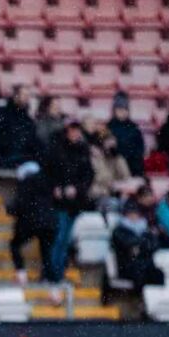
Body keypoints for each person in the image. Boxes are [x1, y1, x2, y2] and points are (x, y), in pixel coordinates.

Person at [45, 121, 94, 293]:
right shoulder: (57, 150)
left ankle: (59, 273)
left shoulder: (83, 151)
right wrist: (55, 188)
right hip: (58, 203)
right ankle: (53, 275)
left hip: (75, 203)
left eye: (77, 131)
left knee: (65, 240)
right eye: (72, 131)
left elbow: (88, 177)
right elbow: (49, 172)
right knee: (58, 238)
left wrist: (77, 189)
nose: (75, 134)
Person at [8, 161, 58, 286]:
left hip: (30, 222)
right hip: (49, 223)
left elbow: (19, 205)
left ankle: (21, 274)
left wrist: (10, 210)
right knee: (46, 253)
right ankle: (52, 288)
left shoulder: (25, 184)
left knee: (14, 245)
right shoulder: (48, 182)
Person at [111, 201, 169, 291]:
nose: (133, 216)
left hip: (146, 265)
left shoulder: (145, 230)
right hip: (127, 266)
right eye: (130, 213)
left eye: (136, 213)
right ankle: (139, 300)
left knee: (158, 273)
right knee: (139, 273)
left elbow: (154, 244)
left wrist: (139, 246)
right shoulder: (119, 230)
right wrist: (143, 245)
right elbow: (127, 244)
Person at [107, 93, 145, 177]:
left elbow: (140, 149)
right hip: (115, 164)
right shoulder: (108, 127)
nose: (122, 112)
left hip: (132, 162)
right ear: (114, 110)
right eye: (119, 109)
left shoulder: (134, 127)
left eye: (124, 109)